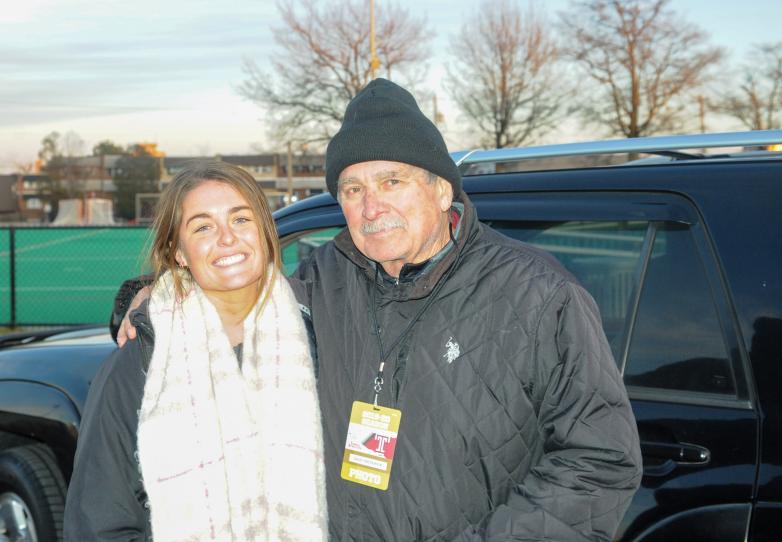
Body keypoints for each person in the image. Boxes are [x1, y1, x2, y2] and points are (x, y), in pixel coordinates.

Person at [118, 79, 642, 541]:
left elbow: (600, 464)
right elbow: (229, 290)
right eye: (353, 189)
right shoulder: (320, 282)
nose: (372, 207)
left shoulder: (539, 296)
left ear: (441, 190)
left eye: (392, 181)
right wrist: (152, 296)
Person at [65, 162, 327, 541]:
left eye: (241, 219)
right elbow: (97, 522)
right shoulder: (139, 362)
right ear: (179, 252)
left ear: (265, 231)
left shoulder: (321, 329)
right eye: (203, 226)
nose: (226, 238)